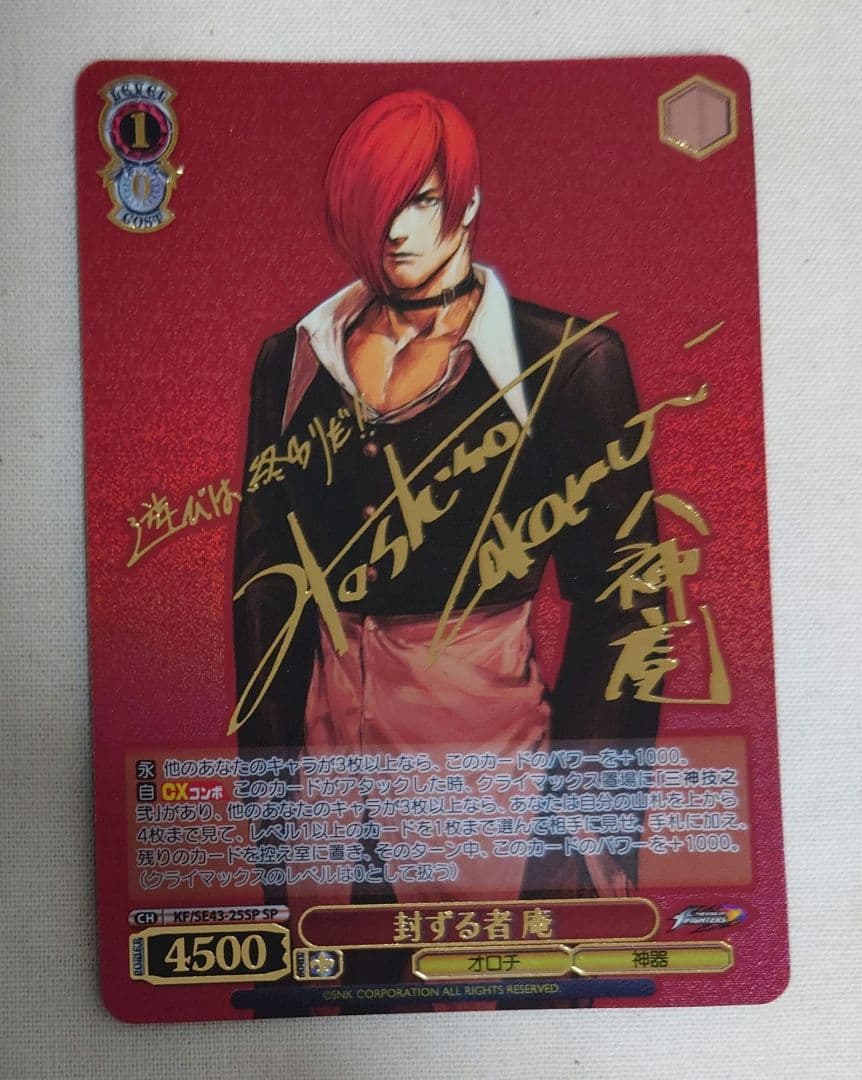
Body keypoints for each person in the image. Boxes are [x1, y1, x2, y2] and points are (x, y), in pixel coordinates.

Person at [231, 90, 660, 921]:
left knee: (506, 988)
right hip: (325, 782)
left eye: (421, 200)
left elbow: (627, 598)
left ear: (467, 202)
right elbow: (264, 587)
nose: (396, 230)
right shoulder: (294, 359)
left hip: (490, 775)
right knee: (332, 979)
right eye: (377, 205)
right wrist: (271, 807)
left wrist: (587, 825)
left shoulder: (569, 361)